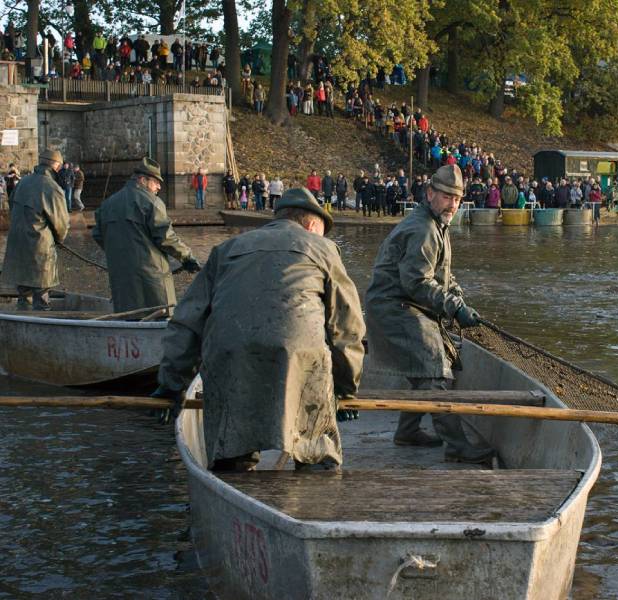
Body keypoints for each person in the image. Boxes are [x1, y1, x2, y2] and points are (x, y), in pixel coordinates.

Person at [154, 188, 365, 472]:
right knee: (316, 448)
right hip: (300, 360)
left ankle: (233, 466)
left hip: (229, 359)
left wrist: (171, 385)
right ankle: (315, 466)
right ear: (313, 224)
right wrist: (345, 388)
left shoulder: (225, 250)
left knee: (231, 449)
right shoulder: (323, 249)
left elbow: (187, 322)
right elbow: (347, 327)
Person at [364, 165, 493, 464]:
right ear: (430, 193)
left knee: (424, 368)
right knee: (434, 371)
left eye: (457, 199)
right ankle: (458, 446)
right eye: (447, 196)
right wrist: (454, 307)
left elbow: (441, 274)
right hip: (394, 307)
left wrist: (456, 295)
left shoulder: (437, 224)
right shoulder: (423, 228)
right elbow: (416, 283)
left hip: (405, 304)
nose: (452, 204)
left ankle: (407, 432)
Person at [91, 157, 200, 313]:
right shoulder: (151, 202)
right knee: (161, 315)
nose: (159, 187)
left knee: (127, 316)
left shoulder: (107, 204)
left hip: (120, 276)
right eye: (156, 182)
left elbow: (98, 234)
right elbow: (166, 237)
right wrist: (187, 257)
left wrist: (118, 251)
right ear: (142, 179)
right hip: (152, 278)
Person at [0, 149, 69, 311]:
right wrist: (59, 240)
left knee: (24, 293)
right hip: (40, 246)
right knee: (42, 293)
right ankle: (43, 327)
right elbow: (61, 224)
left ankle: (23, 324)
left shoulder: (23, 182)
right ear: (56, 166)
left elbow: (11, 203)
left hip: (17, 243)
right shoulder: (52, 188)